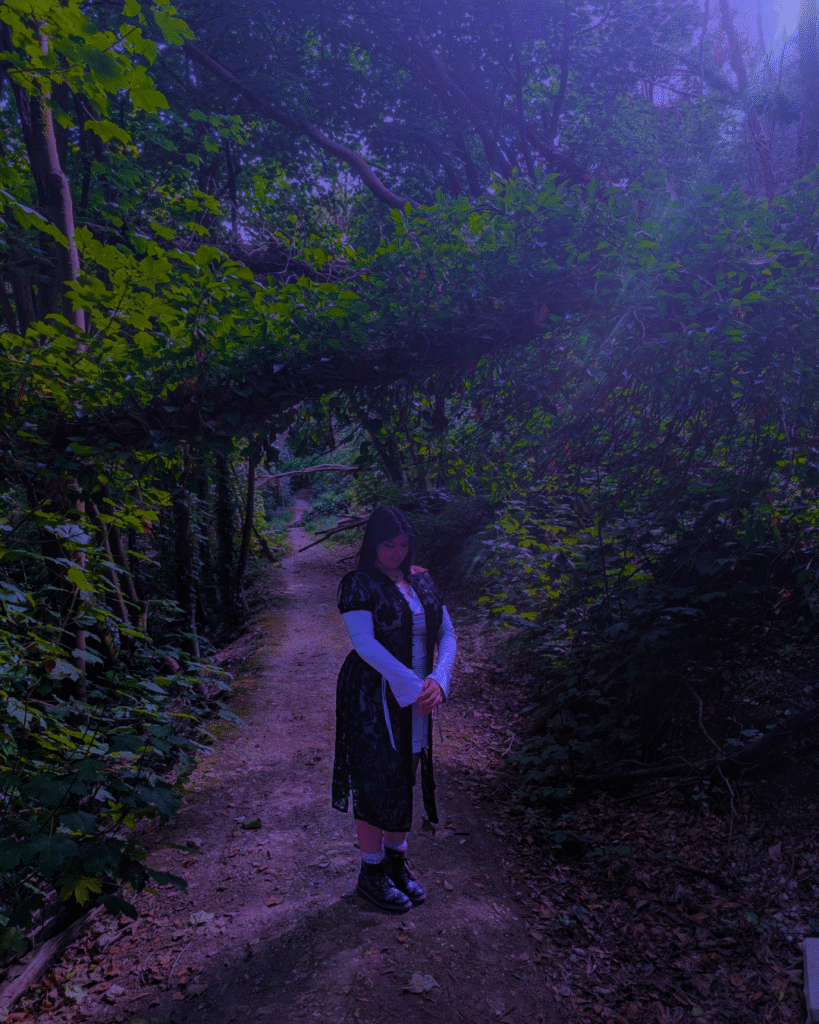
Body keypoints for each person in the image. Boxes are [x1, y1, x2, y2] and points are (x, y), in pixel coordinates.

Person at [332, 506, 457, 913]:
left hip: (419, 694)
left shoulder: (420, 578)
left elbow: (447, 632)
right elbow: (364, 644)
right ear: (373, 543)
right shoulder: (358, 584)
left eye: (404, 544)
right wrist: (415, 685)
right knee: (375, 779)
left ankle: (395, 864)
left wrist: (439, 678)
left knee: (406, 773)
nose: (397, 553)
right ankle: (371, 873)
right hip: (372, 696)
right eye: (389, 545)